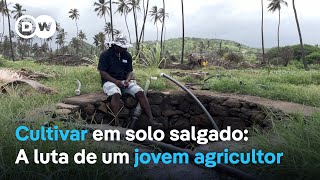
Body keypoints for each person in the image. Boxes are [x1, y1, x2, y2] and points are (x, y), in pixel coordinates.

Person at [97, 34, 163, 128]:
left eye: (125, 47)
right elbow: (102, 72)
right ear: (116, 46)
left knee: (140, 92)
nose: (125, 49)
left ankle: (151, 119)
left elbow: (130, 71)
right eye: (122, 47)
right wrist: (115, 81)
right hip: (109, 82)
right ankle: (116, 122)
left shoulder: (127, 55)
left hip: (124, 81)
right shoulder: (105, 55)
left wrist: (127, 80)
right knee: (116, 94)